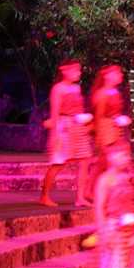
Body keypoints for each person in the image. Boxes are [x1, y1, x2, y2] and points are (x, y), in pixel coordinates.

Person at [40, 58, 93, 207]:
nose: (79, 73)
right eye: (75, 70)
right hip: (63, 126)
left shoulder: (76, 88)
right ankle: (44, 196)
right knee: (58, 163)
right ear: (65, 71)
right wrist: (54, 135)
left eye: (79, 70)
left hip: (77, 125)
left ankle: (80, 197)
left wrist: (85, 122)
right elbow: (55, 113)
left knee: (85, 160)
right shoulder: (58, 88)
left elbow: (79, 109)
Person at [86, 65, 129, 199]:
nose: (120, 75)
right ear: (107, 76)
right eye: (117, 73)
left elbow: (116, 111)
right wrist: (98, 136)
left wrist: (120, 119)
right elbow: (98, 116)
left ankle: (109, 190)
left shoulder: (115, 92)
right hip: (105, 128)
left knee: (110, 161)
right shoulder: (101, 93)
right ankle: (90, 190)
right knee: (103, 161)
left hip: (115, 128)